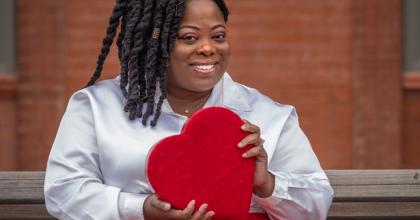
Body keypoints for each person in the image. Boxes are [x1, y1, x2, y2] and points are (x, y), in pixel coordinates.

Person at [44, 0, 334, 219]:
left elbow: (317, 203)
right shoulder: (95, 107)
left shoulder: (268, 115)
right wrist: (140, 209)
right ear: (152, 42)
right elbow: (64, 191)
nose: (208, 48)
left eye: (218, 36)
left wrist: (265, 183)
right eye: (189, 37)